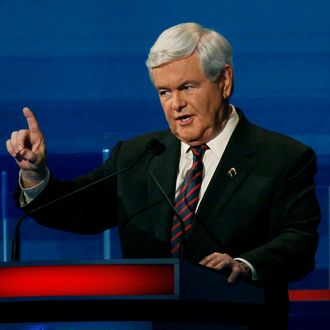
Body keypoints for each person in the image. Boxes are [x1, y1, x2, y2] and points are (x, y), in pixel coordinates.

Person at [6, 22, 320, 329]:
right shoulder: (138, 155)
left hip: (237, 321)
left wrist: (242, 264)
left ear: (224, 80)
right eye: (164, 92)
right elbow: (76, 210)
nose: (176, 104)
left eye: (187, 87)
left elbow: (298, 242)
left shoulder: (281, 157)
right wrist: (35, 174)